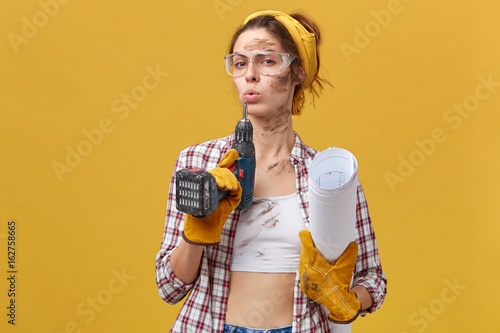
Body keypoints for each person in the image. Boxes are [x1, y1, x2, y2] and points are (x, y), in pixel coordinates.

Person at [155, 10, 387, 333]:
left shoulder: (329, 177)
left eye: (266, 61)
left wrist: (345, 299)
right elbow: (169, 287)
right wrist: (196, 232)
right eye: (240, 63)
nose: (250, 74)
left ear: (297, 73)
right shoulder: (198, 163)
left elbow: (373, 279)